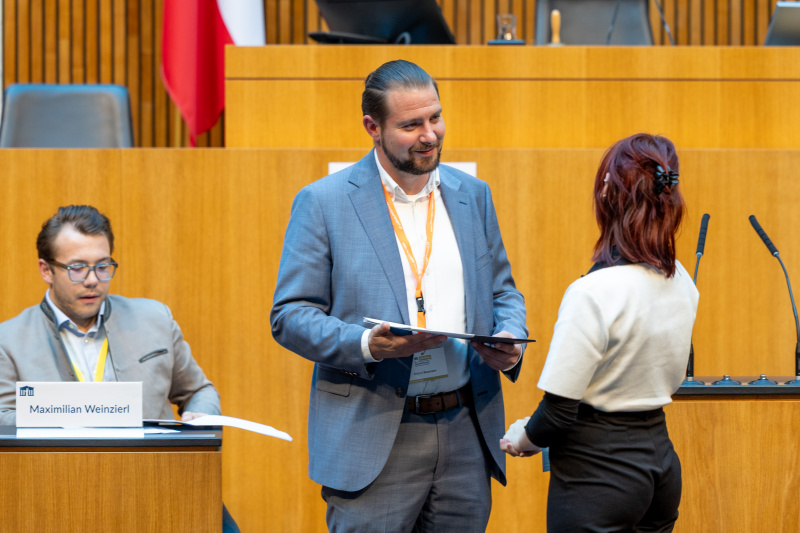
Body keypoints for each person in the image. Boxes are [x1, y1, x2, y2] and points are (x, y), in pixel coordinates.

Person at [270, 59, 528, 532]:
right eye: (411, 125)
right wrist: (367, 345)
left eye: (435, 117)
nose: (430, 135)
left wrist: (511, 335)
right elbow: (289, 315)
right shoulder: (324, 202)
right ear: (373, 127)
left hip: (465, 430)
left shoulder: (473, 195)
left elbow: (503, 290)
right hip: (375, 430)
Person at [501, 133, 699, 533]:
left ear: (609, 193)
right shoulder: (683, 281)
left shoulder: (592, 292)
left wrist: (521, 438)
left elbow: (557, 415)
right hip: (661, 466)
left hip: (597, 477)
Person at [0, 204, 239, 533]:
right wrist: (78, 412)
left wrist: (202, 418)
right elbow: (3, 419)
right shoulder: (8, 340)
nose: (92, 281)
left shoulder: (154, 319)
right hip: (60, 494)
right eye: (77, 268)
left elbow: (199, 391)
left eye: (103, 266)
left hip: (158, 488)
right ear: (46, 269)